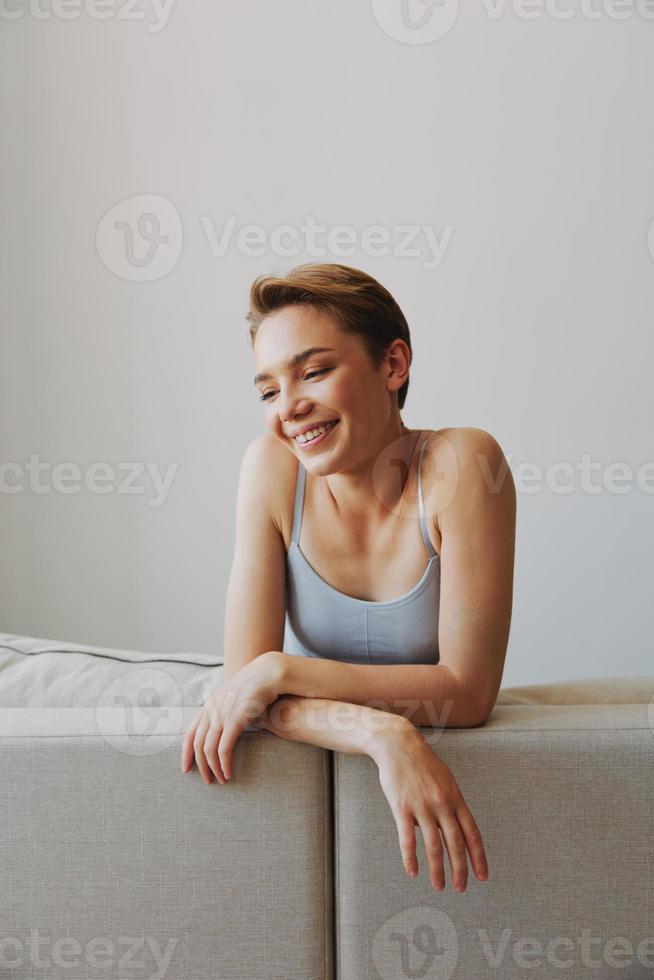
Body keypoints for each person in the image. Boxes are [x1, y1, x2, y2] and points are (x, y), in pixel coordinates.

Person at [182, 262, 516, 894]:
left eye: (314, 372)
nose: (290, 408)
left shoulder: (463, 464)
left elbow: (467, 694)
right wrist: (377, 730)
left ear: (393, 366)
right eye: (268, 391)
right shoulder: (271, 470)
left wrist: (284, 670)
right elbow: (245, 690)